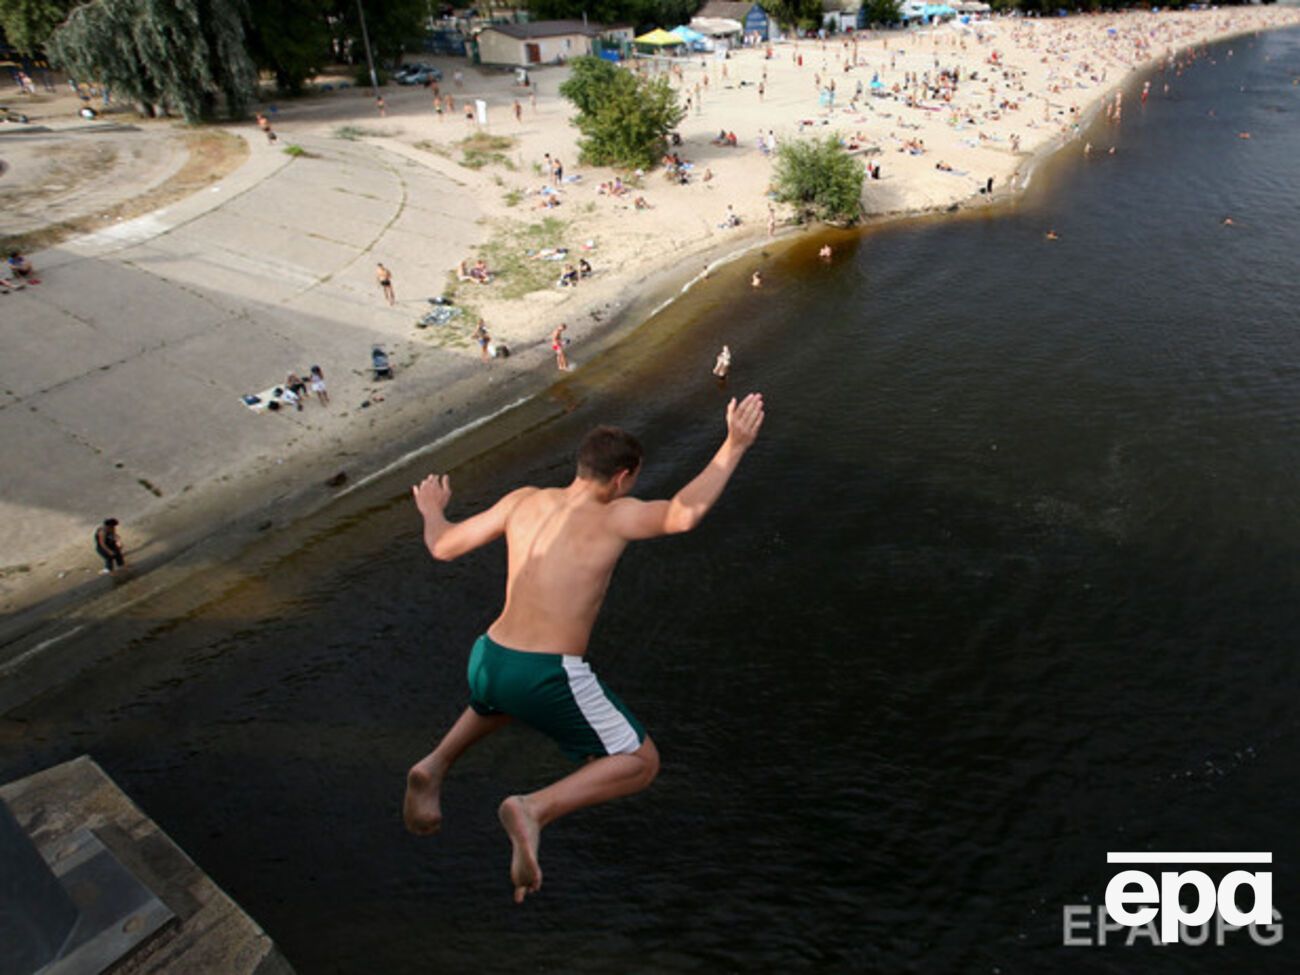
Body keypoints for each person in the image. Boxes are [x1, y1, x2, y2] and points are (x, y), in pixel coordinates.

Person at [403, 394, 766, 903]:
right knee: (640, 761)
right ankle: (535, 809)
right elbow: (683, 515)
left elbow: (441, 546)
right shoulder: (614, 517)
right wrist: (734, 444)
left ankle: (434, 765)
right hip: (546, 672)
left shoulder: (522, 499)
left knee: (503, 702)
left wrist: (431, 510)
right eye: (632, 481)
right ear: (622, 478)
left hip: (488, 655)